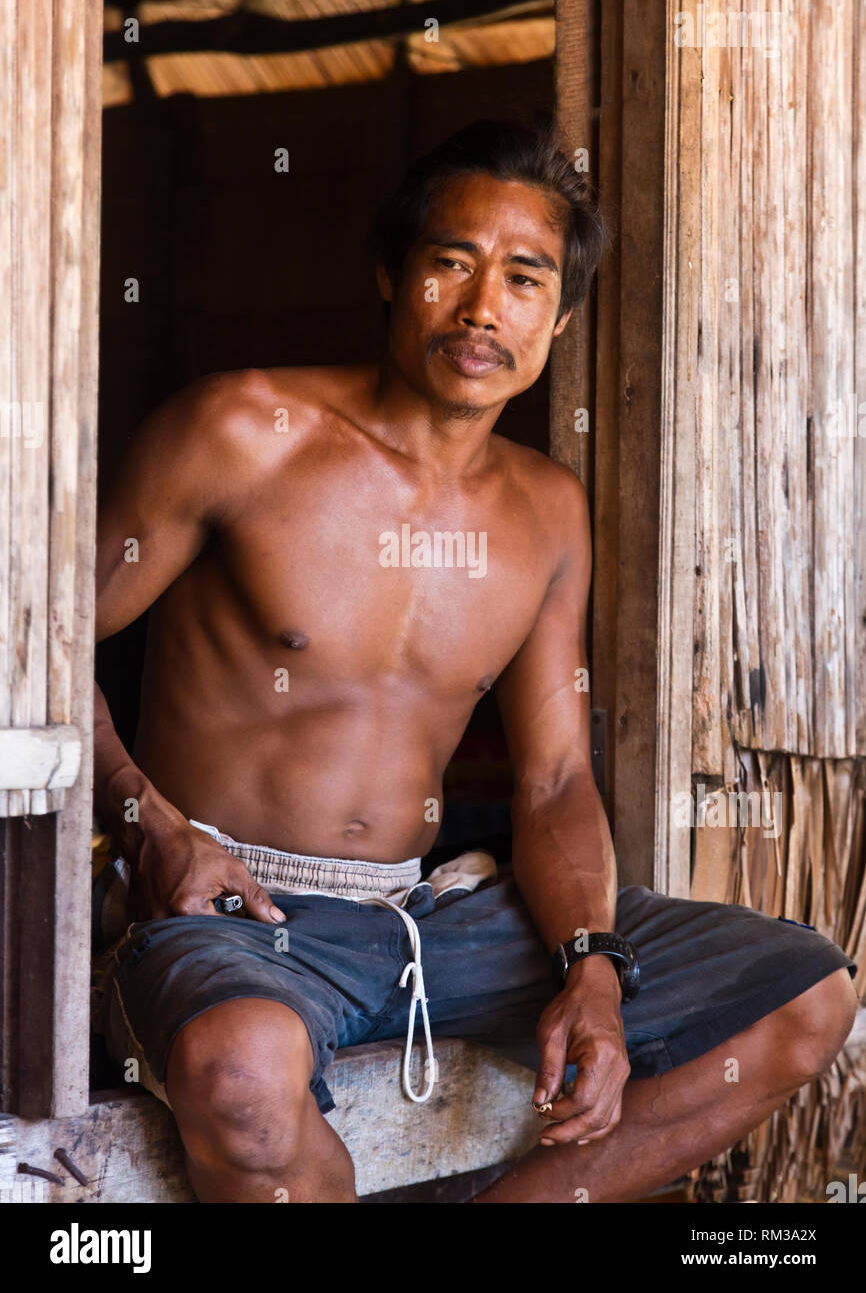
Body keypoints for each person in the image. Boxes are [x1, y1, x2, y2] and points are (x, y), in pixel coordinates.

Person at [93, 119, 858, 1203]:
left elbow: (550, 782)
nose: (481, 308)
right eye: (450, 264)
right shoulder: (238, 431)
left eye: (524, 278)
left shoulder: (544, 513)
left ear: (557, 314)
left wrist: (592, 964)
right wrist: (148, 823)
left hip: (424, 919)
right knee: (241, 1074)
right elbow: (31, 647)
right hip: (231, 912)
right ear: (389, 276)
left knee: (805, 997)